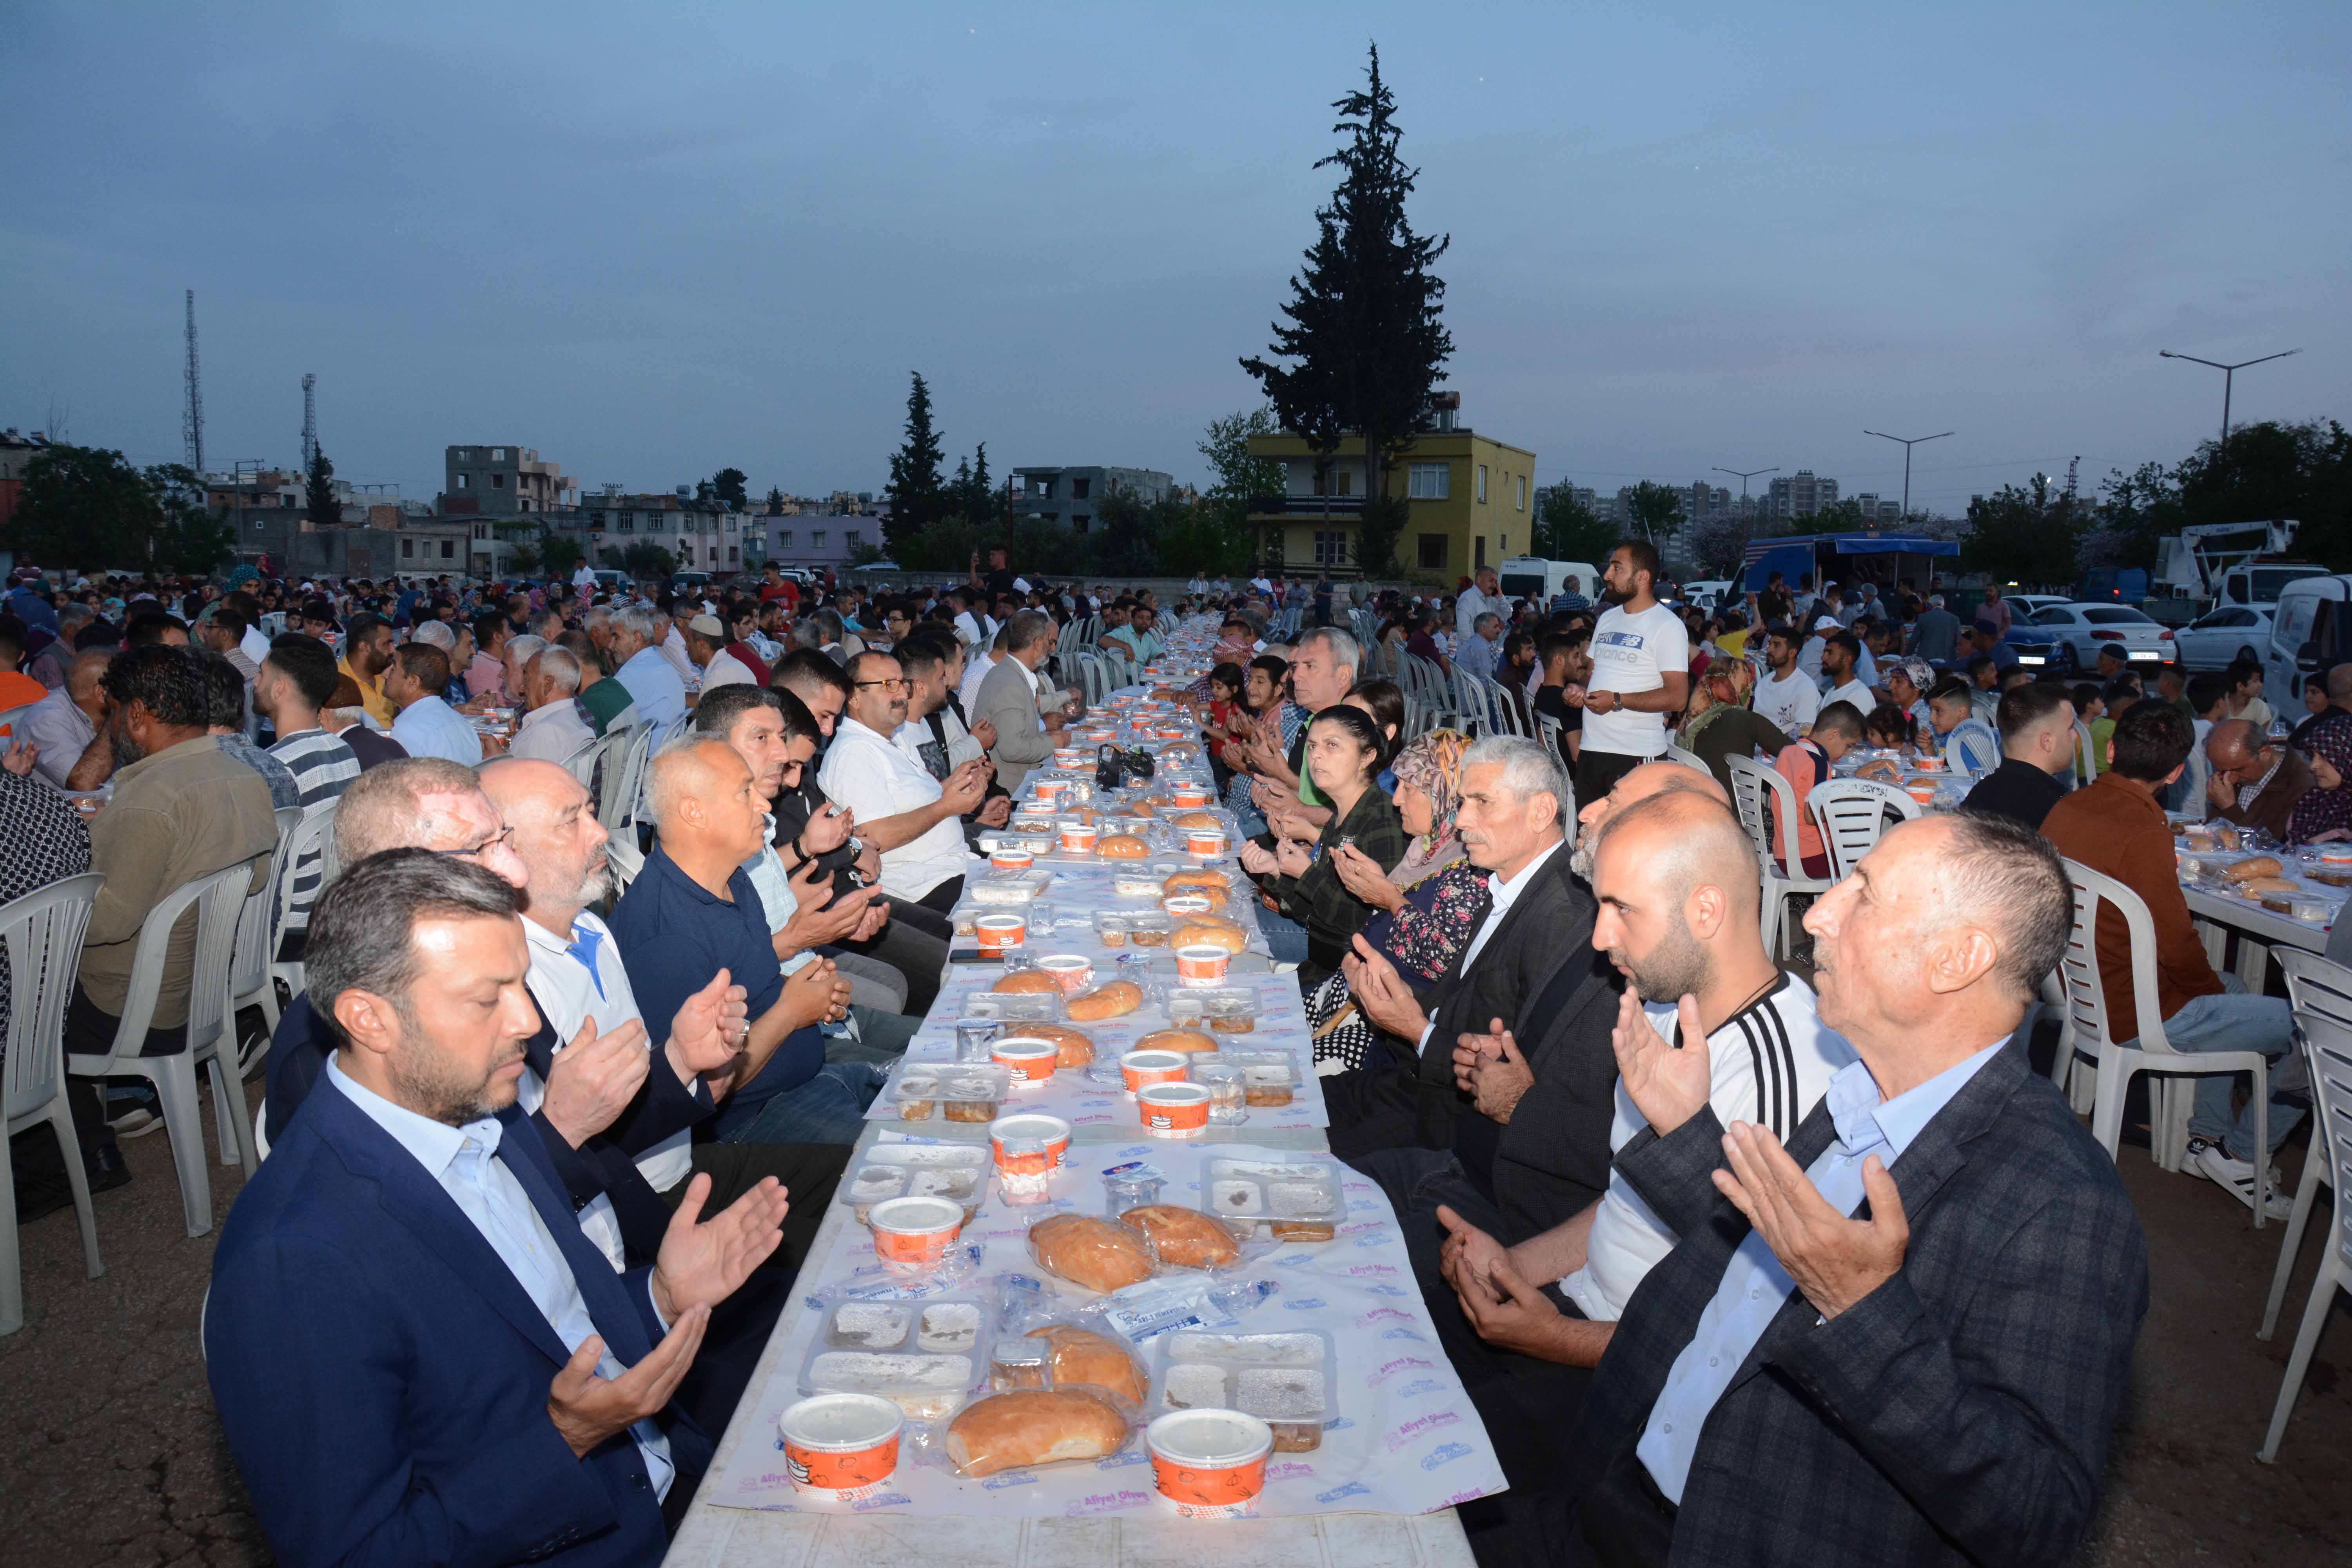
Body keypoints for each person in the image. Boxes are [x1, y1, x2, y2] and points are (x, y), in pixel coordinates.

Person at [1533, 809, 2143, 1564]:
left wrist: (1863, 1314)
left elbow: (2037, 1515)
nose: (1817, 914)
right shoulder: (1861, 1091)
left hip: (1721, 1535)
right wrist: (1686, 1134)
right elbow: (1767, 1268)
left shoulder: (2061, 1204)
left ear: (1958, 959)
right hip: (1621, 1478)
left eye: (1863, 895)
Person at [206, 852, 781, 1566]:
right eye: (489, 998)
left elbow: (552, 1338)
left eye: (523, 984)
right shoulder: (295, 1257)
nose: (528, 1020)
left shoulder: (484, 1113)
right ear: (368, 1018)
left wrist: (661, 1296)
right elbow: (356, 1554)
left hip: (662, 1485)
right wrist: (565, 1441)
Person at [1410, 788, 1852, 1511]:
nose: (1598, 937)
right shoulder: (1659, 1012)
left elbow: (1738, 1331)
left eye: (1621, 910)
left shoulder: (1783, 1072)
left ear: (1705, 912)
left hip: (1635, 1390)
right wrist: (1514, 1266)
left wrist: (1552, 1338)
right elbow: (1626, 1201)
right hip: (1576, 1315)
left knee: (1414, 1467)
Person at [2043, 699, 2301, 1219]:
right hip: (2138, 1013)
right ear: (2178, 771)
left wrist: (2205, 987)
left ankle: (2204, 1141)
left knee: (2233, 988)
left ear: (2111, 749)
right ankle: (2242, 1155)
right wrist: (2199, 990)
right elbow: (2176, 942)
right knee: (2316, 1031)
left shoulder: (2066, 807)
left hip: (2082, 990)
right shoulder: (2143, 825)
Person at [65, 646, 278, 1185]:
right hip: (207, 994)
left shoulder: (148, 802)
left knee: (18, 1001)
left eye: (111, 712)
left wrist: (51, 912)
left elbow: (109, 924)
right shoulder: (240, 775)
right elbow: (253, 879)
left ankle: (81, 1157)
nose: (108, 725)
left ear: (137, 715)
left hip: (137, 1010)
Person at [609, 739, 875, 1144]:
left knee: (932, 1079)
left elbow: (756, 977)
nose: (765, 806)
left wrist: (810, 991)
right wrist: (792, 1011)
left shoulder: (732, 878)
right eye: (744, 794)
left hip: (805, 1081)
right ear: (693, 812)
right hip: (746, 1126)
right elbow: (702, 1089)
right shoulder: (666, 937)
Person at [1336, 736, 1587, 1159]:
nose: (1461, 820)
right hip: (1419, 1083)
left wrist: (1414, 1028)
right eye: (1462, 801)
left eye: (1482, 802)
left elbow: (1518, 1080)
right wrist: (1394, 1001)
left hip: (1456, 1132)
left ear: (1542, 811)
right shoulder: (1504, 878)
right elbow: (1456, 1002)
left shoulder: (1561, 916)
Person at [1301, 731, 1489, 1073]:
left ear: (1443, 795)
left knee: (1290, 1068)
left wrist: (1388, 897)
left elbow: (1439, 961)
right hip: (1356, 991)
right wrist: (1378, 887)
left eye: (1409, 788)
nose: (1396, 800)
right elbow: (1395, 919)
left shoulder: (1470, 867)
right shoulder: (1425, 845)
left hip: (1386, 1028)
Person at [1240, 705, 1406, 984]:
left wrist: (1305, 874)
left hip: (1344, 980)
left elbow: (1357, 924)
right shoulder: (1343, 814)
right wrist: (1277, 872)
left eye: (1332, 746)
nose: (1316, 755)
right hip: (1320, 963)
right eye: (1313, 746)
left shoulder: (1383, 822)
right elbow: (1313, 913)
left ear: (1366, 757)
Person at [818, 652, 987, 911]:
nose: (900, 695)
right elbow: (877, 836)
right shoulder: (854, 751)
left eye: (902, 684)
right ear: (854, 697)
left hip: (949, 868)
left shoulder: (887, 741)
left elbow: (904, 804)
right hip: (921, 885)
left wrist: (953, 787)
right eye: (888, 685)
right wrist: (947, 806)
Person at [1579, 540, 1691, 808]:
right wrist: (1579, 690)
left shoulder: (1668, 626)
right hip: (1592, 749)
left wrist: (1617, 700)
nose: (1607, 574)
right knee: (1588, 839)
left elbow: (1677, 698)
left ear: (1642, 577)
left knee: (1631, 844)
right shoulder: (1607, 618)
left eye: (1617, 568)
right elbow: (1590, 674)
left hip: (1636, 754)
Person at [1960, 681, 2076, 830]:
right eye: (2070, 728)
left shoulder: (1978, 795)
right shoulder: (2055, 810)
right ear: (2047, 741)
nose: (2075, 736)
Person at [971, 610, 1064, 793]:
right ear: (1038, 644)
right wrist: (1054, 742)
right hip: (1011, 791)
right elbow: (1012, 749)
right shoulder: (1009, 682)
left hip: (1019, 780)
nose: (1052, 648)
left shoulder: (1012, 673)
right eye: (1048, 640)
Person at [1771, 700, 1865, 876]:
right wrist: (1845, 802)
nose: (1846, 754)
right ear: (1834, 735)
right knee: (1871, 858)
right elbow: (1811, 816)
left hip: (1785, 855)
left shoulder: (1788, 752)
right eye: (1849, 746)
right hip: (1813, 858)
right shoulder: (1818, 763)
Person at [1674, 661, 1792, 795]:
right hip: (1734, 810)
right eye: (1748, 686)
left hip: (1696, 800)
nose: (1751, 693)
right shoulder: (1747, 720)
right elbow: (1796, 753)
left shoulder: (1690, 719)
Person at [2203, 716, 2313, 841]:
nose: (2230, 777)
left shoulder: (2302, 785)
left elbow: (2273, 848)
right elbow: (2212, 831)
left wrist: (2229, 807)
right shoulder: (2234, 765)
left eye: (2238, 770)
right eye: (2222, 771)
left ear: (2265, 753)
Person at [22, 648, 113, 789]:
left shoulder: (98, 711)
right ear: (102, 693)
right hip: (58, 808)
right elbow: (83, 785)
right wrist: (117, 720)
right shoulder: (47, 721)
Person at [385, 642, 486, 766]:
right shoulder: (461, 722)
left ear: (413, 683)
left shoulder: (408, 731)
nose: (386, 675)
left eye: (393, 669)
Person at [510, 644, 598, 763]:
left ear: (548, 684)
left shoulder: (545, 733)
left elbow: (519, 780)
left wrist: (495, 762)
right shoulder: (571, 719)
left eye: (527, 680)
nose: (522, 689)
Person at [610, 605, 687, 731]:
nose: (611, 645)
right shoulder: (663, 665)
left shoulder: (631, 674)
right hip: (668, 746)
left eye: (617, 637)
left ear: (637, 638)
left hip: (649, 750)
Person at [1751, 624, 1819, 737]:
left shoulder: (1805, 688)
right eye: (1770, 644)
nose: (1769, 650)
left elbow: (1804, 733)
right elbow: (1754, 722)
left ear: (1792, 653)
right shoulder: (1764, 683)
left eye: (1777, 646)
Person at [1926, 676, 2000, 773]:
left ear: (1961, 712)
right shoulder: (1951, 736)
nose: (1931, 718)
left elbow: (1975, 779)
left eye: (1938, 711)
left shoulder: (1969, 742)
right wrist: (1927, 748)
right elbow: (1940, 771)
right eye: (1931, 710)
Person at [336, 611, 397, 727]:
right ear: (365, 648)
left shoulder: (383, 676)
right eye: (387, 644)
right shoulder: (337, 682)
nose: (393, 650)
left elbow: (395, 714)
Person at [687, 613, 755, 690]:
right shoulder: (728, 664)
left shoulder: (717, 676)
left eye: (689, 642)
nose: (686, 648)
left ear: (701, 645)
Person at [1818, 628, 1873, 713]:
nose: (1823, 658)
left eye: (1830, 653)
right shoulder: (1831, 692)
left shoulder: (1860, 695)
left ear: (1847, 659)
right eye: (1824, 652)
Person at [1457, 564, 1505, 643]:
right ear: (1479, 579)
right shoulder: (1468, 598)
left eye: (1496, 582)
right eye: (1491, 581)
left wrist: (1500, 597)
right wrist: (1476, 649)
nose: (1494, 585)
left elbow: (1507, 614)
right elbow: (1464, 631)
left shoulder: (1492, 600)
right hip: (1473, 653)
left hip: (1487, 651)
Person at [2224, 655, 2272, 729]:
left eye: (2260, 681)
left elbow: (2263, 738)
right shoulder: (2221, 703)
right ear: (2241, 686)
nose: (2260, 685)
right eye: (2256, 681)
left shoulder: (2260, 707)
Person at [1457, 612, 1505, 682]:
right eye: (1496, 627)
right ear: (1483, 629)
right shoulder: (1481, 648)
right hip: (1472, 693)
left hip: (1462, 690)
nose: (1499, 630)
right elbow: (1486, 682)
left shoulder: (1473, 641)